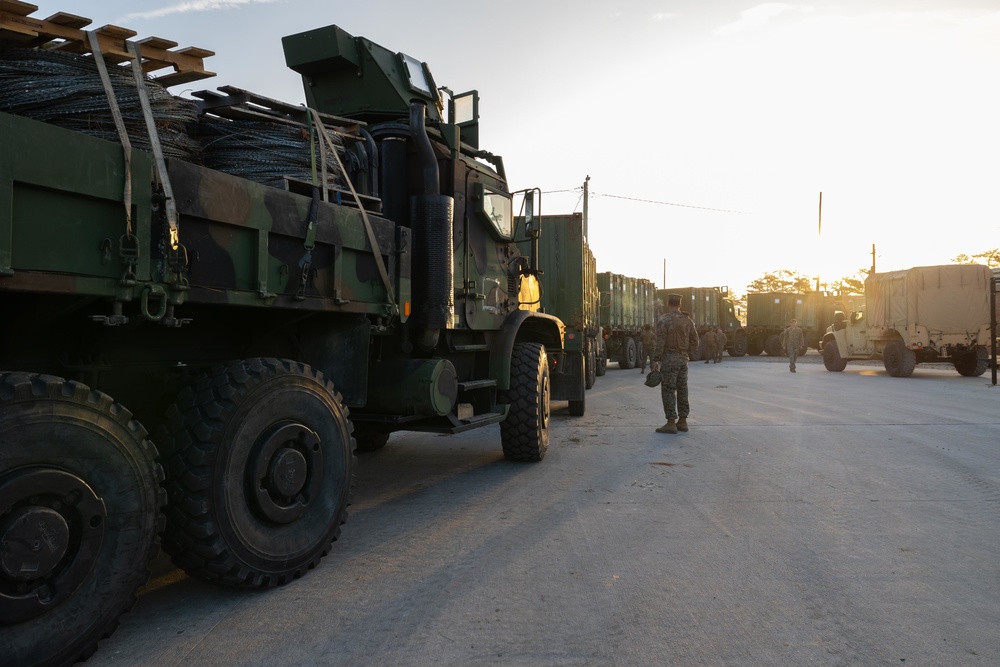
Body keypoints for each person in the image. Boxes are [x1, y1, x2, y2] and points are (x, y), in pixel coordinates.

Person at [651, 293, 700, 434]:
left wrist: (656, 360)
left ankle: (671, 423)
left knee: (668, 390)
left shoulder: (664, 321)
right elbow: (695, 341)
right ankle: (683, 421)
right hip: (683, 360)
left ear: (668, 304)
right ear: (680, 305)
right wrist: (686, 353)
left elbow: (660, 343)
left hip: (669, 360)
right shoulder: (687, 320)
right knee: (682, 388)